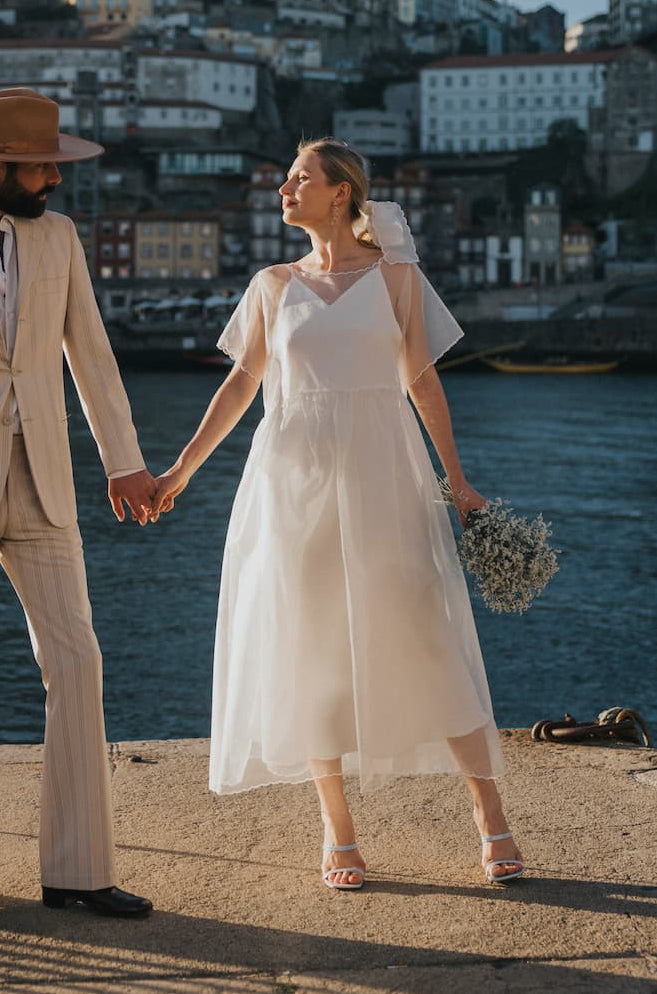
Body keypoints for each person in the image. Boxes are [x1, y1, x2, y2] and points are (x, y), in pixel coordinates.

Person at [152, 138, 524, 890]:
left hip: (384, 473)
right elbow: (240, 388)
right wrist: (180, 470)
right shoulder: (270, 282)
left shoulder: (395, 276)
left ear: (341, 194)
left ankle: (490, 815)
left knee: (426, 636)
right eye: (286, 179)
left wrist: (457, 481)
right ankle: (338, 831)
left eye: (299, 179)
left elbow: (421, 381)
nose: (284, 189)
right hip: (292, 481)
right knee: (311, 648)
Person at [0, 88, 153, 916]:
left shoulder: (59, 237)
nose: (54, 179)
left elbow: (90, 354)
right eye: (40, 165)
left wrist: (123, 463)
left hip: (46, 481)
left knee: (79, 663)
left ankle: (78, 872)